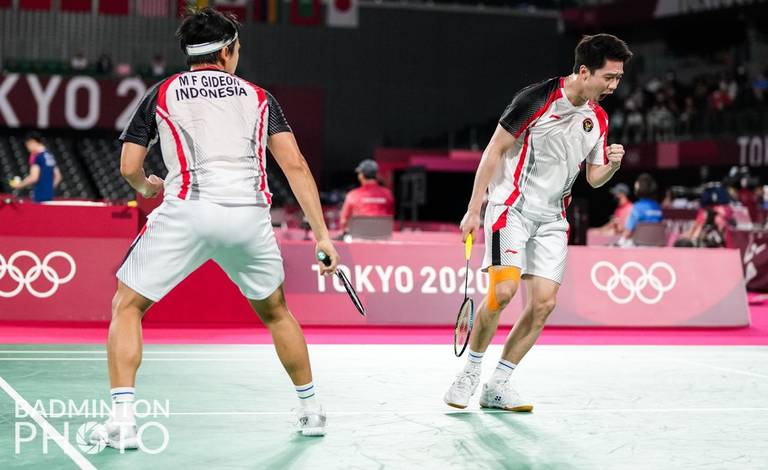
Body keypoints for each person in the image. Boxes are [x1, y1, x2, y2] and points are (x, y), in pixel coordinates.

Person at [89, 8, 340, 450]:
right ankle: (312, 410)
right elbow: (296, 166)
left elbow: (129, 165)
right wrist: (322, 235)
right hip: (249, 217)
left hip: (188, 210)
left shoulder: (161, 93)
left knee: (126, 305)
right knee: (277, 312)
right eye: (237, 48)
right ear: (226, 51)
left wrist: (146, 185)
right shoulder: (260, 98)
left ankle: (123, 422)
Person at [444, 34, 632, 411]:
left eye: (618, 78)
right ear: (584, 71)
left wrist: (611, 164)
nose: (613, 86)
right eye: (608, 77)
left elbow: (594, 179)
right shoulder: (537, 98)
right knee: (503, 293)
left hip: (552, 219)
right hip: (510, 207)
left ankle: (498, 385)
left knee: (544, 304)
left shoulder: (598, 118)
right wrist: (473, 207)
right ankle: (469, 373)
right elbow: (494, 149)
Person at [338, 159, 394, 233]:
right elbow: (390, 217)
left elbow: (343, 221)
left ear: (361, 176)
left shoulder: (352, 195)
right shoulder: (388, 194)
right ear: (376, 175)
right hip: (383, 235)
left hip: (358, 237)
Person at [9, 132, 62, 202]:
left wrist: (20, 185)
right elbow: (58, 176)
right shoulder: (49, 155)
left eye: (27, 145)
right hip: (49, 196)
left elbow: (34, 177)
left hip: (39, 197)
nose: (27, 148)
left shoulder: (35, 156)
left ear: (32, 142)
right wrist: (49, 188)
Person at [617, 173, 663, 246]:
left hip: (639, 246)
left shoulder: (637, 207)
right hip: (655, 245)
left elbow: (628, 231)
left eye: (636, 186)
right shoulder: (657, 207)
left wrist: (619, 243)